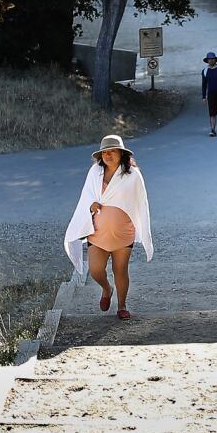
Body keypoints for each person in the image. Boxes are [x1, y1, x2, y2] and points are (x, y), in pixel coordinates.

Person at [63, 134, 153, 320]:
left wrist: (142, 229)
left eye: (112, 151)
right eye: (105, 152)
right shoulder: (94, 172)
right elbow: (86, 198)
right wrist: (91, 206)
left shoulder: (133, 175)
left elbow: (140, 202)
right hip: (97, 232)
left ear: (122, 154)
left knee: (120, 270)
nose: (108, 155)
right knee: (95, 270)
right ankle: (106, 289)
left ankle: (122, 306)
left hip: (123, 233)